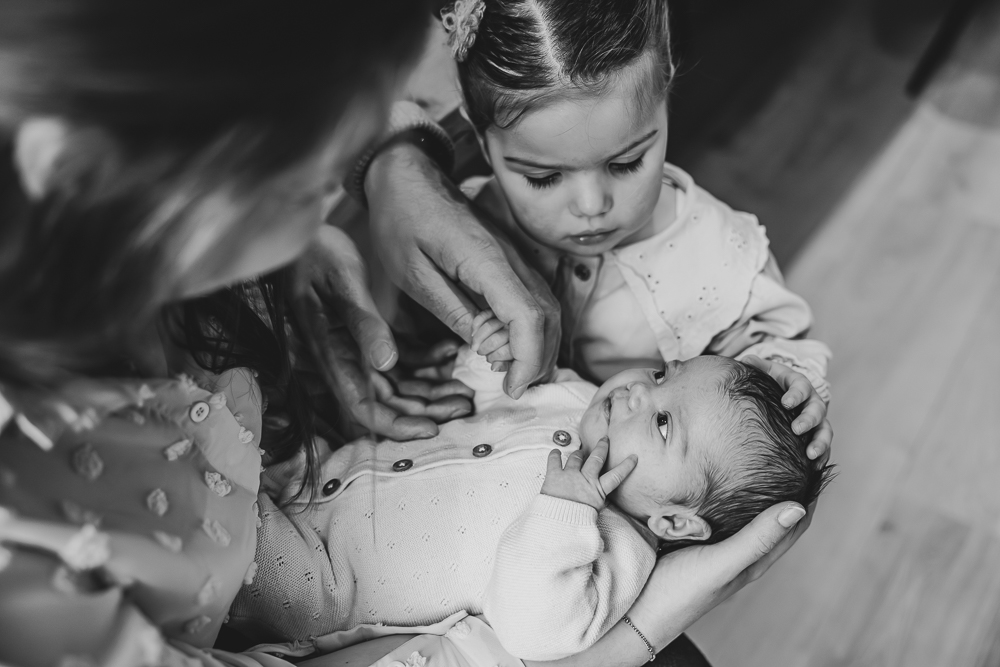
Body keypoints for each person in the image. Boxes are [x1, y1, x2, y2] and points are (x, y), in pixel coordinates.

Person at [0, 3, 827, 667]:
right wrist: (634, 637)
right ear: (82, 169)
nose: (343, 194)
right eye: (312, 167)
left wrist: (385, 168)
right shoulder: (33, 560)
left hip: (312, 504)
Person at [230, 349, 832, 662]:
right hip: (323, 468)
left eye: (664, 421)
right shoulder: (577, 398)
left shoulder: (617, 550)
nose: (637, 391)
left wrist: (561, 510)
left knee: (218, 528)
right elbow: (499, 390)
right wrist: (487, 357)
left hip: (316, 578)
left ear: (673, 520)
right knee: (232, 417)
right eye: (662, 373)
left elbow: (534, 626)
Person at [437, 0, 830, 409]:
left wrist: (785, 381)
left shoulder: (721, 257)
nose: (592, 206)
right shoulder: (465, 226)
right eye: (543, 178)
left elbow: (775, 346)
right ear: (481, 140)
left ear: (666, 88)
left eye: (626, 164)